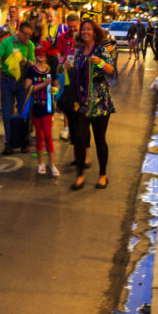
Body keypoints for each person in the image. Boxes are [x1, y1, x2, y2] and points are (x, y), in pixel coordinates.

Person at [70, 18, 116, 190]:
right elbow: (75, 74)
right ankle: (80, 174)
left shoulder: (101, 50)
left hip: (100, 99)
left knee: (99, 139)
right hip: (83, 99)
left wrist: (101, 63)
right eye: (83, 30)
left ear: (95, 32)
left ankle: (103, 174)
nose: (85, 32)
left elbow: (112, 71)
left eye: (88, 29)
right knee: (80, 137)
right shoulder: (79, 52)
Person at [0, 20, 36, 154]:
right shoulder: (6, 42)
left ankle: (24, 141)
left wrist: (24, 60)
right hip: (7, 80)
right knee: (7, 113)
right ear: (19, 31)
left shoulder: (30, 45)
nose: (27, 37)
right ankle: (9, 143)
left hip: (23, 82)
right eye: (25, 34)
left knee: (25, 112)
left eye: (29, 35)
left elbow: (33, 64)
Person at [25, 42, 59, 178]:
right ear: (35, 55)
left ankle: (52, 164)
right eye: (38, 53)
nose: (41, 55)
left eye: (43, 53)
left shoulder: (50, 70)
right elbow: (28, 88)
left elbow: (56, 88)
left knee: (48, 135)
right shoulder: (31, 70)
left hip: (47, 107)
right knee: (39, 135)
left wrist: (53, 89)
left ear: (46, 55)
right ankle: (40, 163)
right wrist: (43, 84)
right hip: (35, 106)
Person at [54, 12, 80, 142]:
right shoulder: (62, 37)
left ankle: (76, 127)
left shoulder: (83, 37)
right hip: (66, 73)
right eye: (70, 26)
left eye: (75, 26)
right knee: (66, 100)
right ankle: (66, 128)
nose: (73, 29)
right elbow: (58, 52)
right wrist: (61, 63)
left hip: (80, 73)